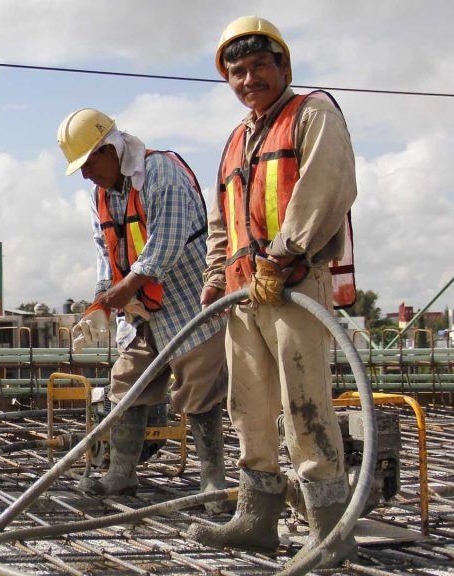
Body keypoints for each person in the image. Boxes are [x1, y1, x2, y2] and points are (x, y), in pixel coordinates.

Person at [186, 17, 358, 568]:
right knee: (249, 409)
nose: (248, 78)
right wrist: (216, 277)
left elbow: (326, 185)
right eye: (237, 71)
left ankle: (329, 533)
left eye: (260, 66)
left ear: (283, 66)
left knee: (304, 407)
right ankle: (257, 520)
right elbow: (223, 220)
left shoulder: (312, 115)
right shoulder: (237, 139)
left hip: (294, 284)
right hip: (243, 294)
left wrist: (284, 254)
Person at [57, 108, 229, 514]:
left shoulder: (160, 174)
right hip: (140, 308)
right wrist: (103, 296)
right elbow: (106, 250)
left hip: (186, 301)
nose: (85, 175)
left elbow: (165, 245)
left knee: (200, 389)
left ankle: (213, 482)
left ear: (110, 149)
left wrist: (123, 289)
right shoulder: (102, 193)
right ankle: (122, 472)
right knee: (127, 383)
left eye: (88, 163)